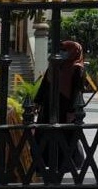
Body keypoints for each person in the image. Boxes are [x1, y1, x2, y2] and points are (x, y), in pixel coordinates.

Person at [33, 40, 86, 176]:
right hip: (49, 106)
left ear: (74, 52)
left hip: (65, 107)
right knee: (44, 133)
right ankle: (42, 163)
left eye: (66, 50)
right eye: (61, 50)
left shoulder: (77, 68)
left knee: (66, 135)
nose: (62, 53)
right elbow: (44, 85)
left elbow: (77, 91)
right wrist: (37, 102)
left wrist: (71, 111)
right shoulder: (54, 65)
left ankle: (68, 163)